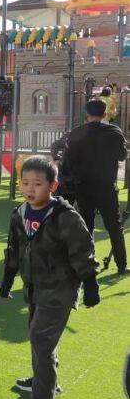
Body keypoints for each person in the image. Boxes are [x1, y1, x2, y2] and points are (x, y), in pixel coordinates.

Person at [0, 156, 100, 399]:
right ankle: (44, 380)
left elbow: (83, 249)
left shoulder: (64, 216)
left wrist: (91, 284)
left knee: (41, 338)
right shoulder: (19, 214)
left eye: (37, 184)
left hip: (60, 288)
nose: (30, 189)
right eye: (25, 183)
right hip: (35, 286)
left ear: (52, 186)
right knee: (40, 337)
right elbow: (14, 249)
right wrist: (7, 279)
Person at [66, 98, 129, 275]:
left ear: (87, 113)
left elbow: (69, 161)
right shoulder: (114, 131)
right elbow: (122, 155)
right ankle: (121, 265)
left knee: (86, 226)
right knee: (114, 227)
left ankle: (88, 264)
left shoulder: (77, 133)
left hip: (83, 186)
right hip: (106, 186)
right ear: (104, 114)